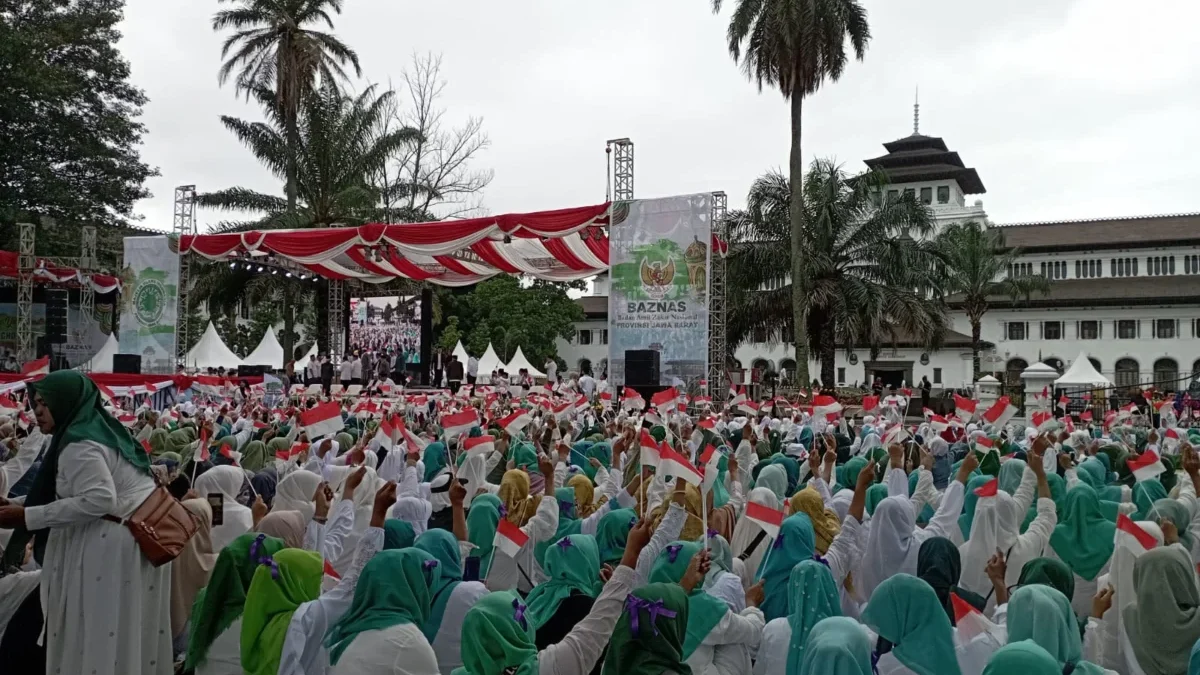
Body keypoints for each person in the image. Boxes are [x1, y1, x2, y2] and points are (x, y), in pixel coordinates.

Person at [0, 370, 172, 675]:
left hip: (109, 548)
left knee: (97, 631)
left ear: (66, 402)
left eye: (45, 403)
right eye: (35, 403)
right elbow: (73, 491)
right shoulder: (92, 430)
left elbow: (99, 500)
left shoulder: (80, 444)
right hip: (126, 543)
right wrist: (17, 505)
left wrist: (27, 516)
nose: (37, 411)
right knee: (118, 632)